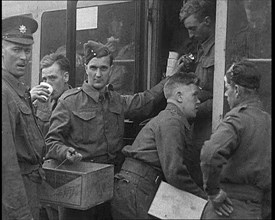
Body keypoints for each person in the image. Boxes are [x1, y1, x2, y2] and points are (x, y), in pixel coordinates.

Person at [44, 40, 169, 220]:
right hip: (79, 185)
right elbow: (50, 142)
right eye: (93, 68)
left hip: (109, 184)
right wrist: (65, 152)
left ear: (111, 70)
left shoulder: (116, 100)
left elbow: (144, 101)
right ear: (86, 68)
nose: (98, 74)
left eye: (103, 68)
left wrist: (170, 80)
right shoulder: (69, 101)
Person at [111, 72, 207, 219]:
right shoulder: (172, 121)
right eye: (194, 95)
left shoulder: (171, 118)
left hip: (138, 187)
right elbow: (175, 172)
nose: (198, 101)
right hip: (139, 190)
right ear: (179, 96)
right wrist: (204, 198)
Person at [200, 60, 271, 219]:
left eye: (227, 89)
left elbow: (210, 154)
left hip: (227, 208)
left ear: (237, 90)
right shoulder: (268, 122)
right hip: (256, 210)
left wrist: (214, 192)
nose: (226, 94)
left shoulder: (237, 119)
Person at [2, 15, 46, 220]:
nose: (23, 57)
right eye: (16, 50)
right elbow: (6, 162)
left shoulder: (16, 89)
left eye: (27, 51)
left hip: (29, 188)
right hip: (16, 197)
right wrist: (21, 214)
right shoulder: (4, 93)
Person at [178, 0, 216, 188]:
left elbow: (223, 96)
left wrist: (194, 107)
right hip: (197, 129)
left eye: (193, 28)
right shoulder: (201, 48)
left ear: (207, 21)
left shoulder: (221, 50)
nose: (190, 35)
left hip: (211, 129)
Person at [30, 53, 71, 220]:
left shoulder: (74, 101)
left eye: (52, 78)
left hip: (65, 177)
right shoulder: (44, 101)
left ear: (66, 76)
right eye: (44, 78)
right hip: (44, 175)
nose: (47, 84)